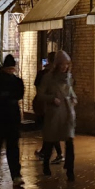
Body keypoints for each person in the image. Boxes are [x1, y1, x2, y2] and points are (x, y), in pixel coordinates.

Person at [0, 54, 25, 187]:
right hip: (0, 119)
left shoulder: (15, 81)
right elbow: (0, 97)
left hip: (9, 119)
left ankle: (15, 175)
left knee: (11, 148)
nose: (11, 71)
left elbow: (18, 94)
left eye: (12, 68)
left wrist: (6, 96)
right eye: (9, 68)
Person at [37, 50, 76, 181]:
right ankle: (46, 165)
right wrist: (52, 99)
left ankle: (70, 169)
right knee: (50, 140)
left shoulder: (68, 77)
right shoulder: (48, 78)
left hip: (67, 113)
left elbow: (70, 91)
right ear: (57, 64)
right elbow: (40, 95)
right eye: (62, 64)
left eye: (66, 64)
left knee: (69, 141)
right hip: (54, 113)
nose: (64, 67)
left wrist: (74, 98)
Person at [33, 54, 62, 162]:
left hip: (46, 106)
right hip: (53, 105)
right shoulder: (58, 75)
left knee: (49, 130)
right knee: (49, 130)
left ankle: (53, 153)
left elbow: (39, 91)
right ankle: (47, 152)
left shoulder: (43, 74)